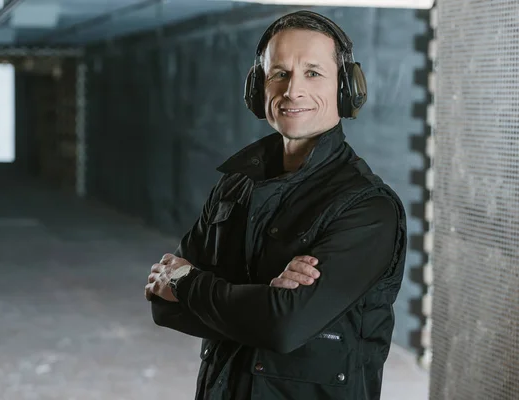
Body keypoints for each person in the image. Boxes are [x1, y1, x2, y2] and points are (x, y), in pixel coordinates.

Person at [145, 10, 407, 400]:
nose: (292, 91)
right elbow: (164, 309)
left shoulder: (366, 208)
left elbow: (282, 327)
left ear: (345, 89)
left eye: (313, 73)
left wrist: (188, 283)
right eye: (279, 74)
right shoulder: (235, 187)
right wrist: (260, 303)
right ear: (258, 89)